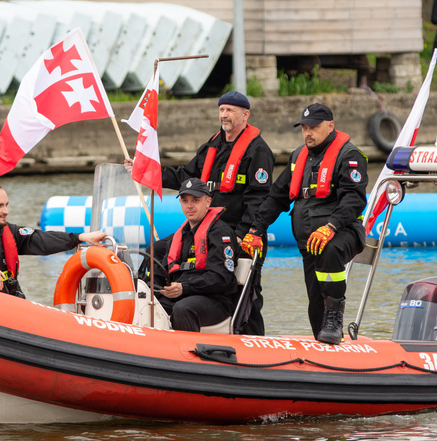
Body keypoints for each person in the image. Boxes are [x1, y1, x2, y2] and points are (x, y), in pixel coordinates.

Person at [127, 90, 274, 335]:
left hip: (241, 233)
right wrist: (146, 170)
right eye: (221, 109)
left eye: (229, 110)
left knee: (246, 292)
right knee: (156, 251)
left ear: (245, 114)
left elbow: (259, 198)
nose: (224, 115)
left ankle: (253, 341)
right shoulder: (213, 145)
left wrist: (241, 233)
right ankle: (158, 303)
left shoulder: (257, 150)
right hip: (204, 229)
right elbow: (186, 177)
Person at [241, 103, 368, 344]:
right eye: (304, 128)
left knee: (330, 252)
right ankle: (323, 346)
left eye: (314, 127)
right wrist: (256, 229)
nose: (308, 132)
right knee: (314, 303)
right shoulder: (298, 156)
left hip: (343, 231)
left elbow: (354, 200)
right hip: (309, 240)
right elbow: (277, 196)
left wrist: (330, 227)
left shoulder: (349, 156)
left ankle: (335, 318)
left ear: (330, 126)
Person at [0, 181, 107, 297]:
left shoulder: (10, 232)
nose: (6, 211)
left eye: (6, 205)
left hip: (8, 297)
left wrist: (81, 237)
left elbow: (42, 239)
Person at [152, 178, 240, 332]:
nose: (190, 205)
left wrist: (184, 287)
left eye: (195, 200)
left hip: (215, 300)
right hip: (182, 295)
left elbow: (221, 278)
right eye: (185, 200)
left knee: (183, 309)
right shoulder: (178, 236)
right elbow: (163, 270)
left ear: (207, 202)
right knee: (149, 305)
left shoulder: (221, 234)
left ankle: (187, 353)